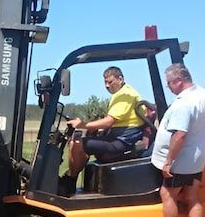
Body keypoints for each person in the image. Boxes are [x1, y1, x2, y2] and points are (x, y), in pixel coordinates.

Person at [149, 63, 205, 217]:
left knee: (167, 194)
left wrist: (168, 162)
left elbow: (179, 135)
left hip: (180, 160)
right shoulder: (201, 93)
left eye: (169, 83)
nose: (168, 87)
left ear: (179, 81)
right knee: (193, 197)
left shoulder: (184, 104)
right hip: (196, 159)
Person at [58, 66, 145, 194]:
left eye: (110, 82)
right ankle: (70, 179)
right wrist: (93, 128)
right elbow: (113, 120)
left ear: (120, 79)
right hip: (118, 137)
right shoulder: (120, 94)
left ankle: (70, 181)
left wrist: (82, 124)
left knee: (78, 144)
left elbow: (109, 121)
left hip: (122, 141)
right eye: (105, 82)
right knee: (79, 142)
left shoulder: (126, 95)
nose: (107, 86)